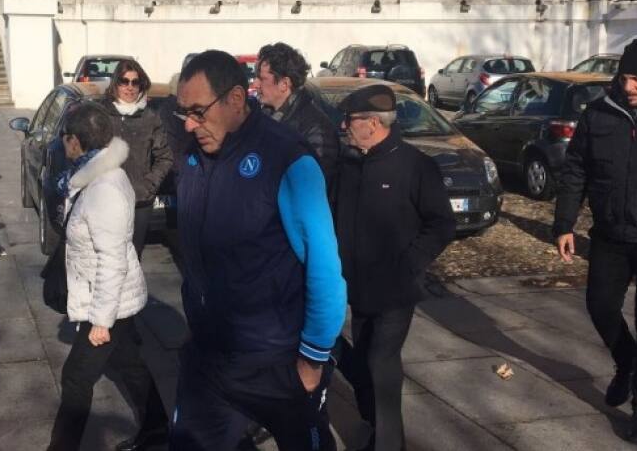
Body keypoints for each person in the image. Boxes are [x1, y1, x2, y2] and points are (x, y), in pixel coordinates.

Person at [171, 50, 347, 450]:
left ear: (236, 99)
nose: (190, 125)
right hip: (209, 355)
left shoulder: (285, 158)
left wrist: (312, 360)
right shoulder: (193, 156)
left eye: (198, 112)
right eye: (184, 113)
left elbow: (324, 267)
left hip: (275, 359)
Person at [333, 85, 456, 451]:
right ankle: (374, 422)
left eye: (350, 120)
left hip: (396, 290)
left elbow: (441, 224)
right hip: (357, 287)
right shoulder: (348, 165)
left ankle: (389, 443)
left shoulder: (415, 166)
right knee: (361, 360)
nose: (344, 126)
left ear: (373, 123)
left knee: (381, 363)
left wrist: (409, 265)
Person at [553, 36, 637, 445]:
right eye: (625, 77)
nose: (629, 86)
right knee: (599, 307)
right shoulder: (598, 114)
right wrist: (564, 223)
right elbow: (575, 169)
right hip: (610, 235)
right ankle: (625, 360)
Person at [47, 103, 169, 451]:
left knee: (76, 378)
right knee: (129, 364)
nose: (62, 144)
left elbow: (112, 259)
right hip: (108, 297)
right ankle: (158, 428)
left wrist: (101, 320)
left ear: (75, 141)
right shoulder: (93, 175)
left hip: (106, 302)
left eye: (64, 138)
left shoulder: (104, 188)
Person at [100, 59, 173, 258]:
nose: (130, 87)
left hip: (139, 202)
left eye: (135, 82)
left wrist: (148, 186)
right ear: (116, 83)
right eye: (124, 81)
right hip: (106, 199)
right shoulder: (102, 114)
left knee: (132, 257)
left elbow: (165, 157)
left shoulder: (150, 118)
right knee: (108, 256)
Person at [254, 42, 339, 188]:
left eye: (262, 79)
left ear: (284, 84)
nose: (255, 84)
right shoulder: (263, 116)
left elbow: (312, 184)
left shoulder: (316, 128)